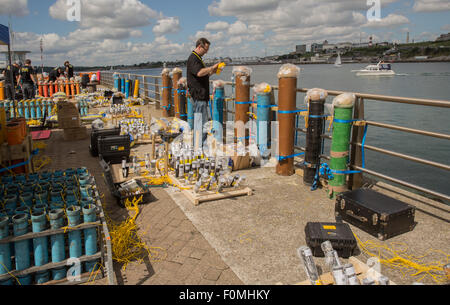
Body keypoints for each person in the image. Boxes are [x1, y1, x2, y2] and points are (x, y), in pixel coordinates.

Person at [186, 38, 219, 149]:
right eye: (205, 49)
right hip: (198, 96)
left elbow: (202, 75)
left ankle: (198, 146)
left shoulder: (198, 58)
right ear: (199, 46)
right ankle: (200, 148)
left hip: (200, 95)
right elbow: (199, 73)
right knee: (202, 123)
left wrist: (212, 71)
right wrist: (211, 67)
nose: (206, 52)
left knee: (200, 122)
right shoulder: (194, 58)